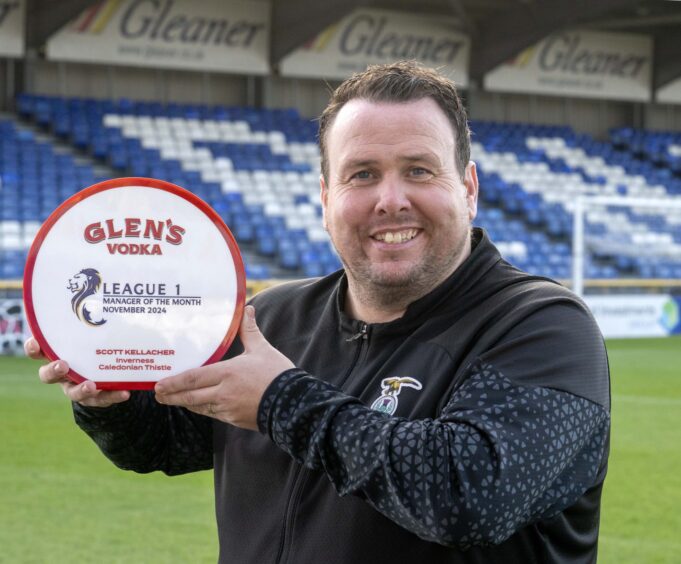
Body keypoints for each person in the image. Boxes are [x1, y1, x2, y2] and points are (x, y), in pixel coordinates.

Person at [26, 61, 610, 563]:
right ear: (326, 197)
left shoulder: (546, 326)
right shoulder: (273, 318)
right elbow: (164, 444)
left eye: (419, 170)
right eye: (362, 174)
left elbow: (469, 495)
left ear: (469, 187)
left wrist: (281, 400)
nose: (390, 199)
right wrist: (111, 393)